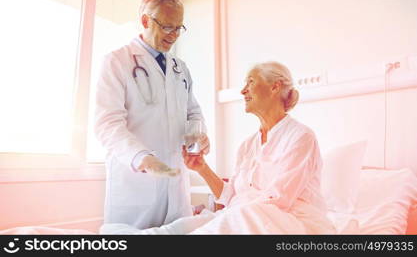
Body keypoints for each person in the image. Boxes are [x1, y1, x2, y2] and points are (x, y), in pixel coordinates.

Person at [100, 61, 336, 234]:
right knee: (183, 226)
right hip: (244, 214)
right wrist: (201, 168)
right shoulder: (247, 145)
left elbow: (279, 200)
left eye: (250, 82)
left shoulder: (300, 137)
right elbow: (231, 196)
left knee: (237, 216)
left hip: (291, 222)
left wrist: (227, 215)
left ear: (275, 87)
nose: (243, 90)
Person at [94, 0, 210, 230]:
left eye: (179, 28)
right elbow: (107, 123)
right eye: (168, 26)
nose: (174, 35)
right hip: (135, 185)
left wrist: (196, 138)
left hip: (175, 186)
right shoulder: (117, 61)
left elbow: (193, 113)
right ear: (146, 21)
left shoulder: (180, 68)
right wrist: (141, 157)